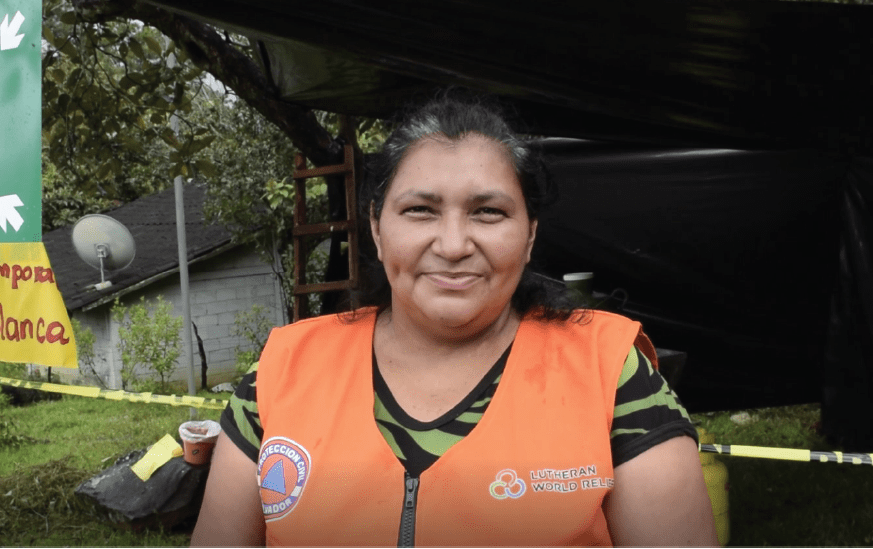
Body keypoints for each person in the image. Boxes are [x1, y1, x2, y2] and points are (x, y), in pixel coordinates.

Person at [191, 92, 718, 547]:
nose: (452, 245)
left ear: (530, 234)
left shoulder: (611, 373)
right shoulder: (281, 374)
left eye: (488, 212)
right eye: (420, 210)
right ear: (376, 228)